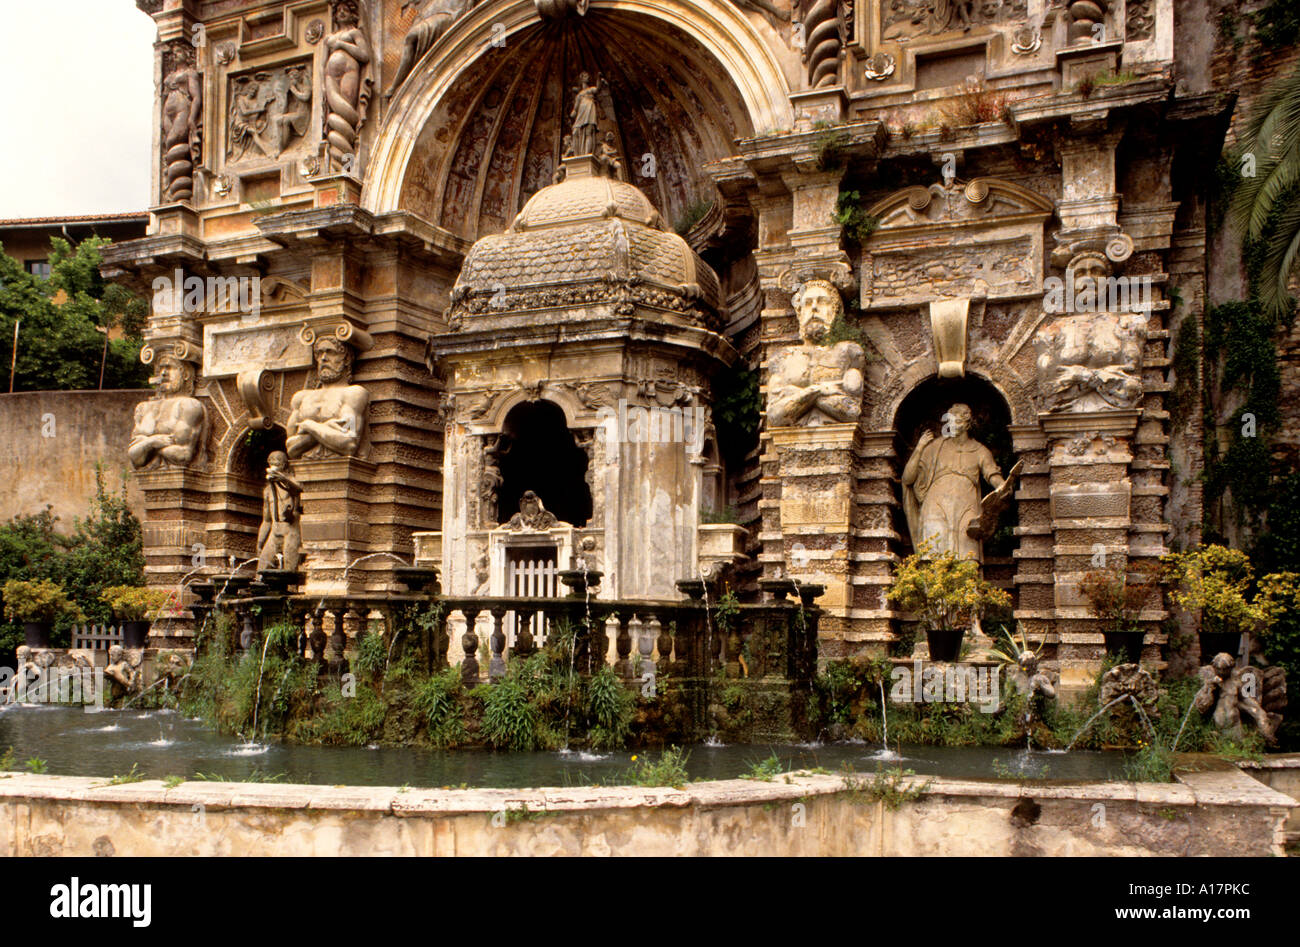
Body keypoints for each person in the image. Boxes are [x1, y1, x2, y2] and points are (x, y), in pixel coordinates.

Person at [902, 403, 1004, 563]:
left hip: (966, 506)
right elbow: (907, 478)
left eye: (958, 422)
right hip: (935, 505)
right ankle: (934, 589)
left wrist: (1003, 486)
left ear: (968, 424)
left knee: (968, 557)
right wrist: (920, 448)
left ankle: (970, 589)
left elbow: (993, 475)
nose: (953, 426)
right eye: (950, 422)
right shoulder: (935, 447)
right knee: (935, 557)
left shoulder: (979, 450)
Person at [767, 279, 864, 426]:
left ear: (835, 311)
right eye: (807, 303)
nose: (814, 308)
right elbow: (775, 416)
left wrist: (796, 395)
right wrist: (817, 391)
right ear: (799, 314)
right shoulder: (782, 358)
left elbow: (851, 411)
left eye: (822, 302)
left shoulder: (849, 352)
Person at [286, 338, 370, 458]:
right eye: (320, 353)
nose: (323, 358)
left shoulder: (354, 394)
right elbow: (291, 449)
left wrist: (309, 425)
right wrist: (329, 428)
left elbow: (349, 443)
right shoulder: (301, 398)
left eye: (331, 352)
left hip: (341, 471)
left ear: (346, 359)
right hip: (305, 473)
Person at [129, 355, 206, 468]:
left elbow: (183, 455)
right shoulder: (144, 408)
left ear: (185, 374)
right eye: (161, 368)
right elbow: (134, 458)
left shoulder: (188, 406)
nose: (164, 373)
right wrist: (153, 442)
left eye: (170, 367)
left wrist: (145, 445)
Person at [257, 452, 303, 571]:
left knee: (290, 571)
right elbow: (266, 520)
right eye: (271, 463)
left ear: (283, 465)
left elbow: (299, 489)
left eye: (277, 463)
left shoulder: (292, 481)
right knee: (261, 570)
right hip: (274, 532)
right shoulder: (267, 491)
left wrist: (283, 479)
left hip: (290, 531)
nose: (274, 466)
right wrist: (260, 541)